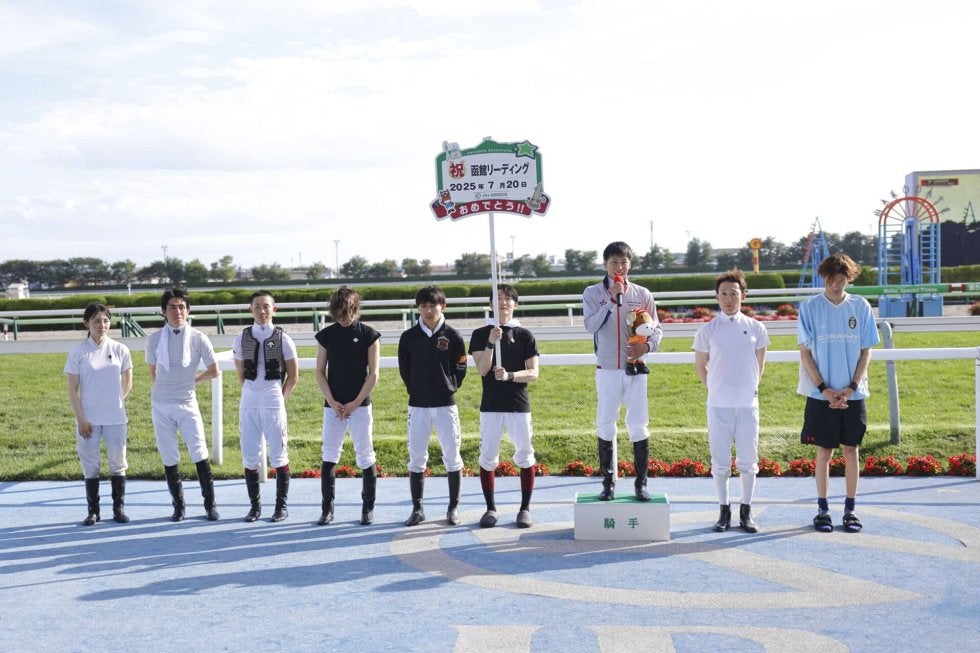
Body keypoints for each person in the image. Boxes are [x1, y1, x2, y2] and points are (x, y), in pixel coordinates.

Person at [798, 253, 879, 533]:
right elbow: (805, 353)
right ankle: (822, 510)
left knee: (851, 451)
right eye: (832, 279)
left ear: (849, 278)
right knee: (824, 452)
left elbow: (866, 350)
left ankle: (850, 510)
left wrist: (852, 387)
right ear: (824, 277)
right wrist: (824, 389)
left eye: (842, 279)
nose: (836, 284)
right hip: (821, 394)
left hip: (853, 394)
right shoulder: (810, 307)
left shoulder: (861, 306)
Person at [583, 241, 662, 501]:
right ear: (605, 264)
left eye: (624, 262)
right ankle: (608, 483)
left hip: (635, 369)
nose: (619, 267)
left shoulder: (643, 294)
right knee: (606, 423)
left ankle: (641, 484)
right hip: (607, 369)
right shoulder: (592, 293)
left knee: (638, 424)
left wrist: (646, 347)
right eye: (614, 262)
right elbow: (590, 326)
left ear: (630, 264)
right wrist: (609, 302)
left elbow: (656, 328)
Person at [693, 269, 770, 533]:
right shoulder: (707, 330)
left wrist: (749, 389)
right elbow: (701, 366)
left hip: (748, 405)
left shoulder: (756, 328)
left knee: (748, 461)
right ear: (717, 297)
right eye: (724, 293)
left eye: (733, 293)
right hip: (718, 406)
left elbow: (760, 364)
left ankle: (746, 512)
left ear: (743, 296)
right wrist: (715, 388)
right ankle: (723, 511)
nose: (728, 298)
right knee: (720, 462)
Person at [146, 287, 221, 521]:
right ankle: (178, 507)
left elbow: (214, 371)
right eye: (172, 307)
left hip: (187, 404)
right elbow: (153, 372)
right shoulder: (154, 339)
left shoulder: (199, 338)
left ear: (188, 310)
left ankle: (210, 505)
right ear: (163, 311)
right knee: (169, 456)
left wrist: (192, 380)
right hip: (161, 405)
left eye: (181, 307)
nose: (177, 311)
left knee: (199, 452)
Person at [468, 284, 540, 528]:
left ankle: (525, 509)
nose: (503, 302)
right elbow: (482, 369)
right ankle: (490, 508)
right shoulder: (480, 334)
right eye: (498, 298)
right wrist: (491, 342)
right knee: (488, 456)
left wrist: (510, 375)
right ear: (491, 304)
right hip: (491, 405)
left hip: (518, 404)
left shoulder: (525, 335)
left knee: (525, 454)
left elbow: (533, 373)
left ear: (515, 304)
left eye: (508, 298)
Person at [398, 285, 467, 526]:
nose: (428, 310)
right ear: (418, 308)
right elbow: (404, 369)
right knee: (417, 457)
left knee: (452, 455)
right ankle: (417, 509)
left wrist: (449, 386)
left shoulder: (453, 336)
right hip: (417, 405)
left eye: (432, 305)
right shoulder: (408, 337)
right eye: (423, 306)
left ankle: (453, 508)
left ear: (443, 306)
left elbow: (461, 366)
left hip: (445, 405)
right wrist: (416, 389)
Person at [314, 287, 381, 526]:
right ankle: (327, 509)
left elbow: (373, 374)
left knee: (365, 454)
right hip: (332, 406)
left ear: (356, 309)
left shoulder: (369, 335)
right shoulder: (326, 336)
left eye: (348, 312)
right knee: (329, 454)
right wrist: (333, 402)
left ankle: (367, 509)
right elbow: (319, 372)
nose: (344, 318)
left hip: (360, 405)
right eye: (340, 313)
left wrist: (355, 403)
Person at [65, 303, 134, 525]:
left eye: (105, 320)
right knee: (91, 465)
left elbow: (128, 383)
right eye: (96, 321)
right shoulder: (78, 352)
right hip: (89, 419)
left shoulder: (121, 349)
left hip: (116, 417)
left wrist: (114, 402)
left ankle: (118, 509)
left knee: (118, 462)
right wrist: (81, 419)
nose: (101, 325)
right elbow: (72, 390)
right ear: (86, 323)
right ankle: (93, 511)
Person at [233, 291, 299, 523]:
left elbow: (293, 376)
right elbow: (241, 374)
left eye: (266, 306)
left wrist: (279, 399)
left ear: (274, 309)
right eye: (257, 307)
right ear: (250, 309)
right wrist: (253, 392)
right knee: (250, 455)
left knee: (278, 454)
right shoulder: (240, 338)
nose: (262, 311)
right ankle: (255, 507)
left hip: (273, 398)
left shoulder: (284, 339)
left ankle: (281, 506)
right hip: (249, 400)